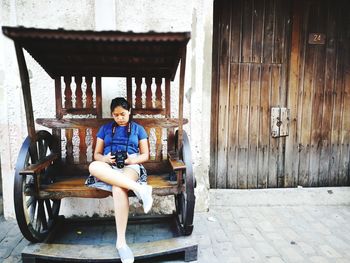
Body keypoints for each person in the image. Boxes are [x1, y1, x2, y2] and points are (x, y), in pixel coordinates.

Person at [88, 97, 153, 263]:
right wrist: (106, 159)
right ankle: (141, 190)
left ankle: (121, 243)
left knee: (118, 188)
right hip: (109, 167)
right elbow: (96, 155)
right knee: (93, 167)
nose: (119, 118)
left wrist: (132, 160)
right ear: (112, 115)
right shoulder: (105, 129)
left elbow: (145, 155)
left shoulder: (138, 129)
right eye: (116, 115)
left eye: (123, 114)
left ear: (129, 111)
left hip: (130, 167)